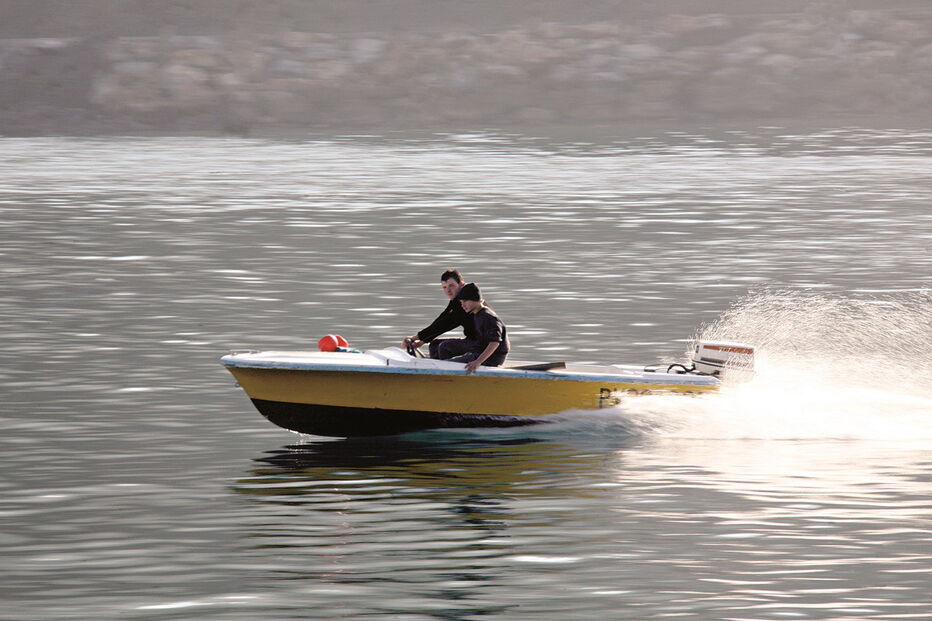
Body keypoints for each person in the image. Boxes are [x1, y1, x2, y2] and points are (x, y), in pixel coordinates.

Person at [402, 269, 477, 359]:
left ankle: (445, 367)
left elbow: (446, 324)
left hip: (481, 344)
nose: (448, 291)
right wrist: (423, 340)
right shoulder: (457, 298)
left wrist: (416, 337)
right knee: (434, 345)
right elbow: (443, 317)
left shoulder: (467, 302)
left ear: (461, 284)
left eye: (451, 286)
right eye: (444, 287)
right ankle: (434, 366)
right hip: (471, 340)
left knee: (444, 347)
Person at [449, 282, 510, 373]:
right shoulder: (478, 314)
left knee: (448, 363)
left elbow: (495, 342)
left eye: (465, 301)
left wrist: (478, 362)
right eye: (461, 302)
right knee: (444, 347)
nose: (462, 305)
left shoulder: (487, 316)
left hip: (492, 359)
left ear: (475, 299)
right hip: (479, 354)